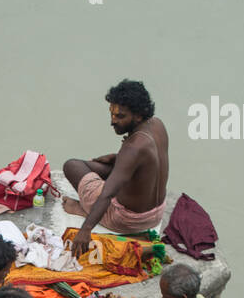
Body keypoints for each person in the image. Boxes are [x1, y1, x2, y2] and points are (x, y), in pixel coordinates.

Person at [64, 80, 169, 254]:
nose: (113, 121)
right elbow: (149, 162)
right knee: (97, 165)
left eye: (120, 117)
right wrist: (118, 158)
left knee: (72, 165)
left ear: (138, 115)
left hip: (127, 220)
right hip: (156, 213)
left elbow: (108, 194)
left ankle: (82, 209)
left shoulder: (133, 148)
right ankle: (93, 205)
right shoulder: (158, 125)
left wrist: (85, 230)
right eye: (112, 114)